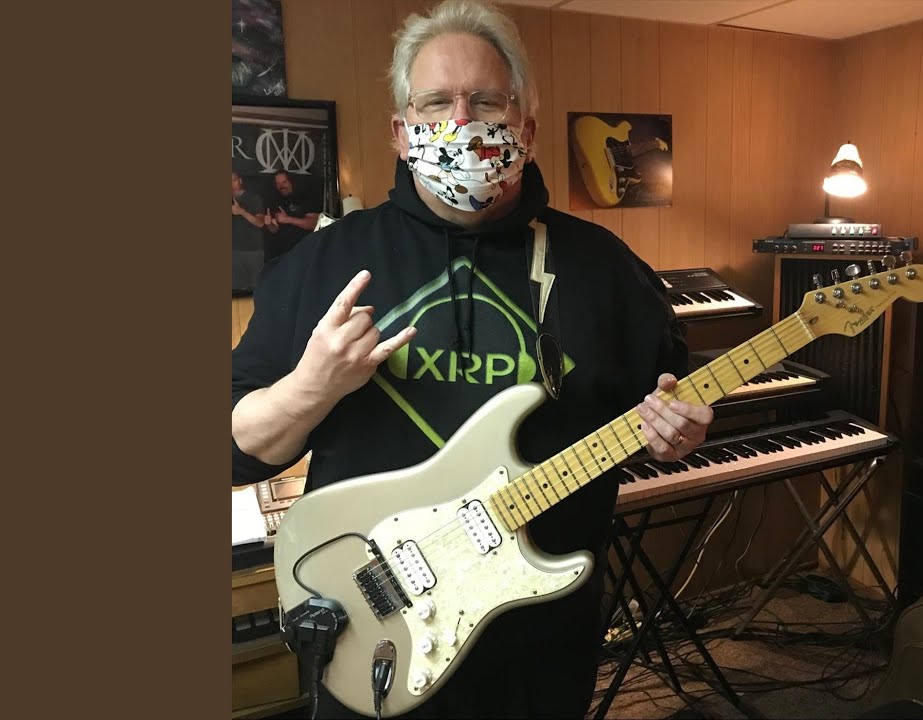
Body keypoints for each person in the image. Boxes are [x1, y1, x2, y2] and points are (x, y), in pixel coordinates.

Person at [231, 1, 714, 717]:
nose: (461, 121)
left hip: (540, 645)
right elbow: (235, 452)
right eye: (435, 103)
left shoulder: (605, 269)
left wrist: (679, 430)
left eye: (487, 101)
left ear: (527, 129)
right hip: (375, 634)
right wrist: (310, 387)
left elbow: (668, 403)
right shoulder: (323, 264)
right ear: (401, 133)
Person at [263, 169, 321, 268]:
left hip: (304, 252)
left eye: (284, 182)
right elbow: (274, 229)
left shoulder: (304, 198)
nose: (281, 186)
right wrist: (269, 224)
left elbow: (314, 224)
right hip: (282, 255)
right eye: (278, 183)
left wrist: (288, 219)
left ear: (291, 182)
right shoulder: (275, 201)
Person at [232, 172, 266, 293]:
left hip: (253, 251)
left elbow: (260, 223)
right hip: (234, 252)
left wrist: (241, 211)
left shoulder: (253, 198)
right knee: (236, 290)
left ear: (240, 181)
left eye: (233, 180)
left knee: (257, 288)